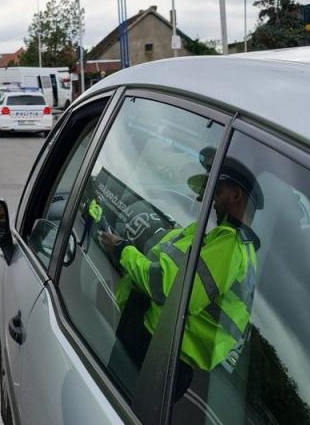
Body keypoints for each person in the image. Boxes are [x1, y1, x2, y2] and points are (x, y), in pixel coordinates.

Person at [99, 150, 263, 396]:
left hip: (157, 353)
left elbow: (168, 288)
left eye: (216, 193)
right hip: (165, 353)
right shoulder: (239, 248)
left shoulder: (229, 245)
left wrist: (122, 250)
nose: (211, 202)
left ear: (236, 195)